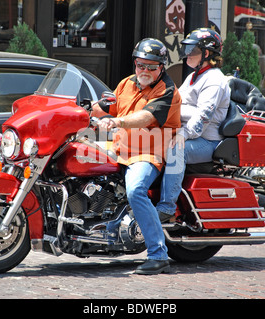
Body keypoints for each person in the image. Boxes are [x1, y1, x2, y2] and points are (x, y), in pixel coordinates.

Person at [92, 38, 181, 275]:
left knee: (135, 189)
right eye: (141, 65)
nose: (145, 70)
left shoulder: (167, 90)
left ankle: (158, 254)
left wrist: (117, 121)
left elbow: (145, 117)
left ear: (161, 67)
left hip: (148, 153)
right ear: (135, 63)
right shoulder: (126, 84)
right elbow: (107, 107)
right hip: (119, 149)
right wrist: (82, 109)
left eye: (152, 66)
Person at [156, 28, 230, 222]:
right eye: (187, 50)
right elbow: (175, 102)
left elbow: (203, 116)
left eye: (193, 51)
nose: (187, 55)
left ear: (207, 54)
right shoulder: (193, 76)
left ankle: (166, 208)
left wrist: (183, 134)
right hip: (187, 132)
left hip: (206, 140)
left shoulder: (214, 79)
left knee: (175, 150)